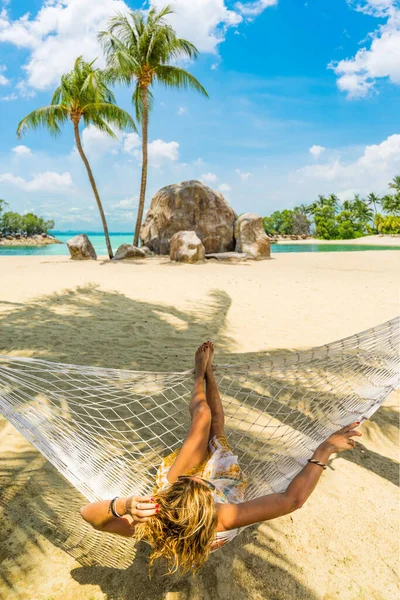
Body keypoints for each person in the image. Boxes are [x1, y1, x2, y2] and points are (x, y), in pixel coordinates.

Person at [80, 341, 363, 576]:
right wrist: (324, 450)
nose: (197, 476)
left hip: (183, 500)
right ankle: (208, 375)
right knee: (215, 428)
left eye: (191, 479)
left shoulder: (155, 524)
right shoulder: (224, 516)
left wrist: (125, 504)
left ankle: (199, 375)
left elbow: (90, 516)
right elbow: (291, 500)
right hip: (218, 489)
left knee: (202, 417)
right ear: (211, 505)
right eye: (198, 482)